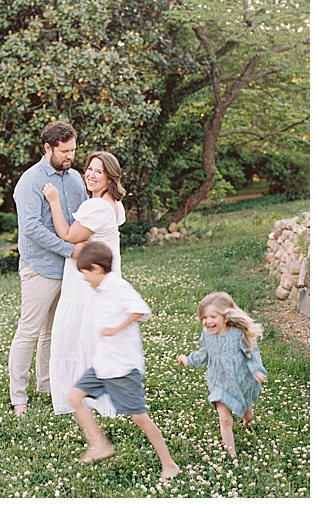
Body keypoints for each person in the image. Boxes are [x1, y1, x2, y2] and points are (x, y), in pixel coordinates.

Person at [67, 242, 180, 482]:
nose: (84, 279)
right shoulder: (98, 291)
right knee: (74, 396)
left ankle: (169, 464)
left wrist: (115, 329)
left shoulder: (118, 286)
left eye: (85, 273)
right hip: (102, 364)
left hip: (122, 366)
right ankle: (99, 445)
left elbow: (141, 309)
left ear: (96, 268)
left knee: (139, 417)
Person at [8, 121, 88, 416]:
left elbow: (81, 217)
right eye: (65, 151)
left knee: (52, 332)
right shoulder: (29, 181)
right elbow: (30, 228)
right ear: (48, 148)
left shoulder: (76, 178)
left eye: (73, 150)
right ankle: (19, 398)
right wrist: (69, 250)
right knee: (29, 332)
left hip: (69, 270)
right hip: (39, 268)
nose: (70, 156)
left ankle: (46, 385)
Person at [43, 151, 126, 416]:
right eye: (89, 169)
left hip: (85, 279)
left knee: (77, 335)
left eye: (98, 172)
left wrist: (54, 201)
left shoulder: (97, 207)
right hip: (104, 278)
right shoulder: (114, 204)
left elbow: (67, 235)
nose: (90, 175)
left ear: (110, 177)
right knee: (92, 335)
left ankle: (80, 396)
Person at [178, 291, 267, 457]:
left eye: (213, 316)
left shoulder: (237, 335)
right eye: (204, 317)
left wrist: (256, 369)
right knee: (225, 419)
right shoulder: (207, 336)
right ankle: (231, 454)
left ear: (226, 317)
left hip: (241, 382)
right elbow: (204, 355)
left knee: (246, 413)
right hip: (219, 382)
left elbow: (251, 352)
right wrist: (188, 360)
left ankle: (247, 421)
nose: (208, 321)